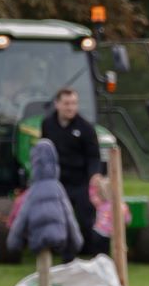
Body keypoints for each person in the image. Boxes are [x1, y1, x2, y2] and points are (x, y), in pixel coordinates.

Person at [40, 87, 104, 259]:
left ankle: (90, 252)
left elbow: (93, 157)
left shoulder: (86, 128)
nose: (71, 108)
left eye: (74, 103)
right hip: (59, 181)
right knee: (60, 218)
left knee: (85, 219)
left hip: (82, 181)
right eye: (67, 104)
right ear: (57, 104)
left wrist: (94, 176)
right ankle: (65, 255)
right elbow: (44, 152)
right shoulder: (47, 124)